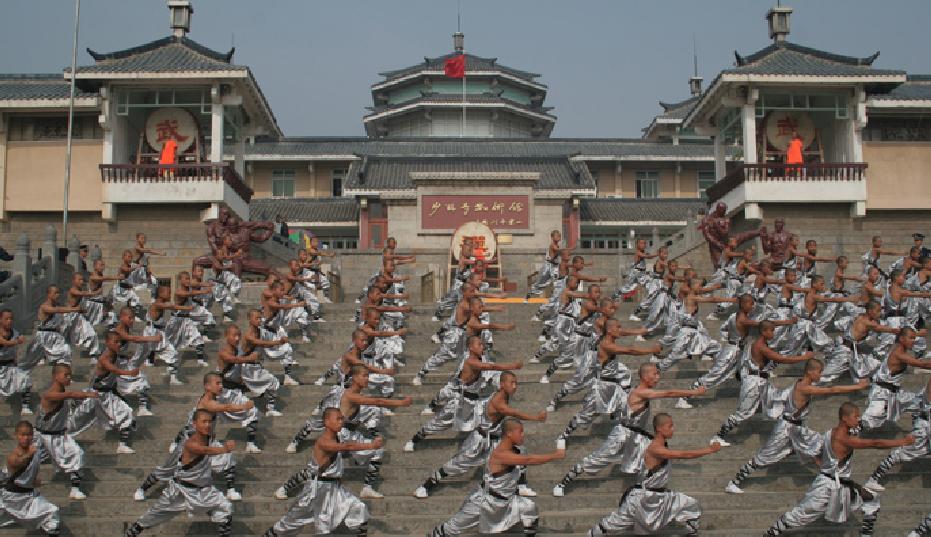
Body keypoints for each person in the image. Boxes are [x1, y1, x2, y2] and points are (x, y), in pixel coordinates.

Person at [553, 362, 706, 497]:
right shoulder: (640, 392)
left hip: (637, 437)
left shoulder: (638, 391)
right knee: (597, 460)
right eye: (655, 374)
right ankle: (563, 482)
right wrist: (693, 392)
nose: (658, 377)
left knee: (655, 460)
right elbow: (669, 393)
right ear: (645, 376)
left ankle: (646, 494)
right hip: (622, 435)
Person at [764, 402, 915, 536]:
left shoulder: (831, 432)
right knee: (800, 515)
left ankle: (866, 533)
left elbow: (820, 453)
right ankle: (772, 533)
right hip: (825, 488)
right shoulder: (844, 439)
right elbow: (876, 443)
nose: (858, 419)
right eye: (855, 416)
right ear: (845, 418)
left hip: (840, 484)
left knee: (871, 500)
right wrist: (903, 441)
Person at [725, 358, 869, 494]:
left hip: (798, 430)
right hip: (786, 429)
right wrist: (858, 386)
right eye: (819, 371)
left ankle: (834, 480)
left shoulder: (800, 383)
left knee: (821, 446)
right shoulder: (804, 388)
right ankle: (734, 482)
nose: (820, 375)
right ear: (810, 372)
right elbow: (832, 390)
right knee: (763, 457)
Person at [414, 371, 545, 499]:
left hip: (495, 439)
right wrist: (535, 418)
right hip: (479, 440)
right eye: (512, 383)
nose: (515, 386)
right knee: (458, 464)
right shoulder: (498, 401)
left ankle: (521, 486)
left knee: (519, 451)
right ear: (502, 384)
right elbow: (513, 413)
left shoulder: (505, 395)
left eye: (516, 383)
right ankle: (428, 484)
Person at [586, 413, 720, 536]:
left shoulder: (662, 445)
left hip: (660, 496)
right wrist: (709, 450)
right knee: (612, 524)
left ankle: (691, 533)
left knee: (691, 505)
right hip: (642, 498)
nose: (673, 429)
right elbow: (683, 454)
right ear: (660, 428)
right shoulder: (656, 448)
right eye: (670, 426)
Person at [429, 418, 565, 536]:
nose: (523, 435)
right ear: (509, 434)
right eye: (520, 432)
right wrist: (556, 455)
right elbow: (528, 460)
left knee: (530, 508)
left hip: (506, 501)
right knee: (451, 528)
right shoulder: (500, 454)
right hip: (484, 502)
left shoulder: (516, 450)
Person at [133, 373, 253, 503]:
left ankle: (230, 490)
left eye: (221, 383)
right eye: (217, 383)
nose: (221, 386)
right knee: (167, 469)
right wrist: (244, 406)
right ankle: (142, 489)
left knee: (227, 458)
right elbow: (227, 407)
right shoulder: (207, 402)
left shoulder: (213, 398)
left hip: (207, 441)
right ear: (207, 386)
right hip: (190, 443)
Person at [263, 408, 373, 536]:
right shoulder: (323, 441)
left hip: (335, 489)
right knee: (287, 524)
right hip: (318, 490)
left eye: (342, 418)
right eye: (337, 418)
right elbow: (348, 446)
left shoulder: (338, 437)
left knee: (359, 508)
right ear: (327, 421)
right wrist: (371, 446)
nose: (341, 422)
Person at [124, 410, 235, 537]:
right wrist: (224, 449)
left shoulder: (209, 438)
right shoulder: (190, 443)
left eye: (210, 422)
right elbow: (202, 450)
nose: (208, 425)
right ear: (195, 424)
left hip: (205, 491)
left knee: (226, 509)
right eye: (204, 422)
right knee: (149, 518)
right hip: (180, 492)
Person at [711, 320, 813, 447]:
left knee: (781, 404)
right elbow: (782, 359)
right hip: (754, 384)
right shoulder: (760, 346)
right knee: (742, 413)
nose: (774, 333)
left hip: (761, 383)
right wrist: (804, 358)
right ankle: (718, 436)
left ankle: (790, 437)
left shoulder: (762, 344)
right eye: (771, 331)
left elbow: (774, 360)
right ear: (764, 332)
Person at [37, 363, 97, 499]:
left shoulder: (63, 393)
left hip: (59, 436)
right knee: (25, 462)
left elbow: (70, 398)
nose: (69, 377)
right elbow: (69, 394)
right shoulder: (50, 394)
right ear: (56, 376)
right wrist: (85, 394)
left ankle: (75, 489)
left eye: (70, 375)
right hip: (43, 437)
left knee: (77, 453)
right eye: (66, 375)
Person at [865, 377, 931, 493]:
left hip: (924, 428)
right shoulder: (926, 396)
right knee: (901, 454)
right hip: (923, 431)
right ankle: (873, 479)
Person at [0, 421, 60, 536]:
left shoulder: (35, 452)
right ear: (16, 436)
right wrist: (29, 454)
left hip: (29, 496)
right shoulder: (13, 455)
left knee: (52, 512)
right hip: (11, 498)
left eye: (29, 435)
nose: (26, 438)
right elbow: (17, 463)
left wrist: (33, 481)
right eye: (22, 435)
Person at [0, 309, 33, 415]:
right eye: (6, 319)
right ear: (0, 320)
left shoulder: (14, 332)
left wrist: (20, 338)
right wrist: (17, 341)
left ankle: (25, 407)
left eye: (11, 318)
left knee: (25, 378)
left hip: (10, 366)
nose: (9, 321)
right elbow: (4, 342)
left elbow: (18, 339)